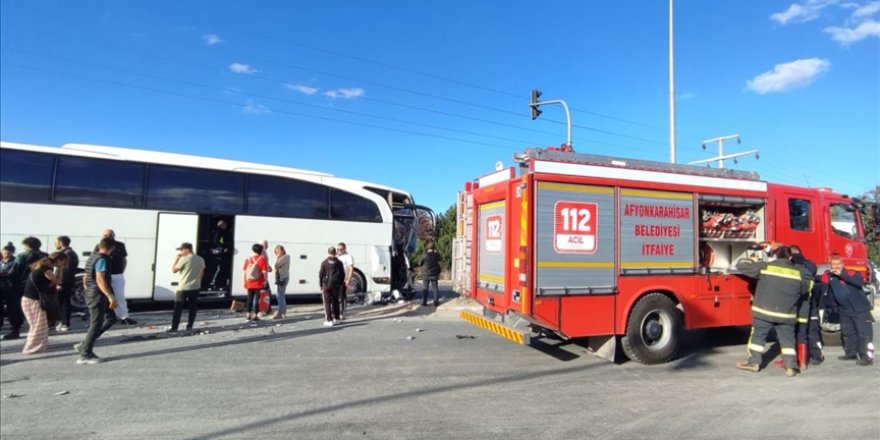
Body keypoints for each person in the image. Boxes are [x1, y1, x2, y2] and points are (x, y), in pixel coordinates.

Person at [734, 246, 812, 377]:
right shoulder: (798, 273)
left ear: (775, 256)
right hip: (787, 314)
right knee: (788, 341)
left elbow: (741, 265)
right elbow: (806, 288)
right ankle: (790, 367)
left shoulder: (765, 267)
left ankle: (754, 363)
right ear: (790, 257)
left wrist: (753, 260)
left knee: (758, 337)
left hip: (764, 312)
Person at [821, 254, 874, 366]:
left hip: (859, 308)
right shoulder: (830, 277)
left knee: (863, 333)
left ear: (843, 264)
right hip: (844, 309)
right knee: (848, 332)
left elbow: (858, 282)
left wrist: (842, 275)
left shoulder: (851, 273)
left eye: (838, 264)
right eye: (833, 264)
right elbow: (821, 281)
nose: (836, 267)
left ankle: (866, 357)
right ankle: (851, 353)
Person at [75, 237, 119, 365]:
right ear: (112, 248)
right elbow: (100, 279)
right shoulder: (102, 259)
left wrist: (88, 288)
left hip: (92, 292)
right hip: (98, 295)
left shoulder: (92, 257)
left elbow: (85, 277)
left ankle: (84, 344)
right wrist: (110, 296)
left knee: (111, 318)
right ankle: (85, 354)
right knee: (96, 324)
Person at [21, 252, 67, 354]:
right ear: (59, 260)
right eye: (63, 261)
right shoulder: (46, 270)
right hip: (34, 300)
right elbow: (57, 280)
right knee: (38, 325)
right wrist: (60, 269)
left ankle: (35, 346)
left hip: (29, 299)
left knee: (37, 325)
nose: (64, 263)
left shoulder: (41, 267)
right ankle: (32, 348)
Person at [3, 237, 48, 340]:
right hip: (39, 286)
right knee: (38, 309)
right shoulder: (45, 255)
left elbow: (14, 272)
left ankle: (15, 330)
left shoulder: (23, 255)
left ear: (27, 245)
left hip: (20, 286)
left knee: (15, 308)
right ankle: (39, 332)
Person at [789, 245, 821, 368]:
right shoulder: (810, 265)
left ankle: (811, 357)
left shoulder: (801, 266)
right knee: (802, 332)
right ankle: (802, 361)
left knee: (802, 332)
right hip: (805, 304)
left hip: (800, 305)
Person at [168, 242, 205, 333]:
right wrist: (198, 280)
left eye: (181, 250)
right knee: (192, 307)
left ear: (186, 249)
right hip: (196, 286)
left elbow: (174, 270)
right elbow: (202, 272)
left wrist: (176, 259)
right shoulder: (200, 259)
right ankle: (190, 326)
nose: (181, 252)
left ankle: (174, 327)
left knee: (178, 308)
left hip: (183, 287)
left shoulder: (184, 259)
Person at [103, 229, 136, 325]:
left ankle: (124, 317)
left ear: (114, 235)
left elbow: (124, 259)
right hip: (105, 274)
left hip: (117, 274)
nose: (108, 236)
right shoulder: (99, 246)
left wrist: (122, 271)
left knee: (119, 296)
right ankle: (106, 316)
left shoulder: (120, 245)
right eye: (106, 235)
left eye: (110, 235)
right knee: (103, 297)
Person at [54, 236, 79, 332]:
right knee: (61, 302)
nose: (55, 244)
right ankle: (62, 321)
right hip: (64, 281)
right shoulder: (68, 253)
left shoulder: (68, 254)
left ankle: (65, 323)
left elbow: (66, 270)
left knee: (64, 302)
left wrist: (60, 283)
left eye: (56, 242)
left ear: (61, 242)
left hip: (64, 281)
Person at [318, 246, 344, 327]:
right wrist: (339, 284)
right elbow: (343, 275)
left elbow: (321, 275)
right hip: (336, 286)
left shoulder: (324, 263)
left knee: (327, 303)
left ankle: (329, 320)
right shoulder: (339, 263)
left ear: (328, 253)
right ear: (335, 252)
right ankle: (337, 318)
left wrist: (321, 285)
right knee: (336, 301)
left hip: (326, 285)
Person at [242, 243, 269, 322]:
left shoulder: (248, 259)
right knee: (257, 299)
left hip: (249, 281)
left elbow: (244, 271)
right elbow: (264, 272)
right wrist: (265, 281)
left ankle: (248, 314)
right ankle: (255, 315)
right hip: (258, 282)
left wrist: (244, 281)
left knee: (249, 298)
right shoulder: (262, 259)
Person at [208, 219, 232, 291]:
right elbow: (216, 241)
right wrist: (224, 247)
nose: (226, 226)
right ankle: (213, 282)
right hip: (217, 253)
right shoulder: (219, 232)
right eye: (225, 225)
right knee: (218, 268)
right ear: (221, 225)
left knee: (215, 268)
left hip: (213, 252)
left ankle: (213, 282)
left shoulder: (213, 231)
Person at [0, 242, 16, 330]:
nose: (5, 255)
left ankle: (14, 323)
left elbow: (12, 273)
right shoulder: (1, 261)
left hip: (9, 286)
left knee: (11, 305)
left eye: (7, 253)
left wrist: (4, 273)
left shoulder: (14, 261)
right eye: (4, 253)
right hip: (1, 285)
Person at [336, 242, 354, 319]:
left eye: (341, 249)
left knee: (342, 296)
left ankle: (342, 313)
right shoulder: (336, 256)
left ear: (345, 249)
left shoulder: (348, 257)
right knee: (335, 297)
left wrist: (349, 279)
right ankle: (336, 312)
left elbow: (351, 268)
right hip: (335, 279)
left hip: (343, 279)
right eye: (338, 249)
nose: (339, 251)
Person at [421, 241, 441, 307]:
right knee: (435, 287)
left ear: (427, 248)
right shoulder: (437, 255)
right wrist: (436, 252)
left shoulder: (424, 255)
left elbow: (419, 263)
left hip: (426, 274)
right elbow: (440, 260)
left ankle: (424, 302)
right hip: (434, 274)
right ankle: (436, 302)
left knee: (425, 288)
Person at [272, 245, 290, 320]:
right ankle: (283, 312)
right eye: (276, 252)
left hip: (282, 278)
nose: (277, 253)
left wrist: (276, 258)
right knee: (280, 295)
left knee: (280, 296)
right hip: (281, 277)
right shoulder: (284, 257)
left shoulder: (285, 257)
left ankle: (281, 312)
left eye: (278, 251)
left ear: (282, 251)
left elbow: (275, 265)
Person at [258, 239, 273, 317]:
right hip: (262, 277)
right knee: (263, 293)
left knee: (267, 293)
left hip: (263, 276)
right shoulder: (261, 253)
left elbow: (265, 263)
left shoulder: (264, 252)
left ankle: (268, 309)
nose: (267, 246)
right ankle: (262, 310)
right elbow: (261, 265)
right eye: (266, 244)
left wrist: (269, 267)